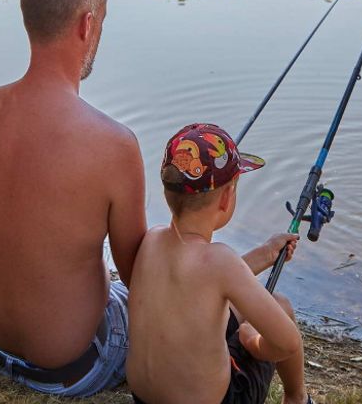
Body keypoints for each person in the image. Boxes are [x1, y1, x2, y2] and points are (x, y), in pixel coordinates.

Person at [0, 0, 147, 396]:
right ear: (87, 25)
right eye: (101, 22)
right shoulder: (115, 144)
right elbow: (139, 275)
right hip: (68, 367)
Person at [126, 122, 311, 404]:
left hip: (145, 398)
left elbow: (200, 284)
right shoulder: (220, 261)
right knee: (281, 306)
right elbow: (287, 343)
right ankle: (297, 398)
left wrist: (265, 253)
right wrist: (254, 343)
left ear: (166, 193)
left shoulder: (151, 242)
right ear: (226, 199)